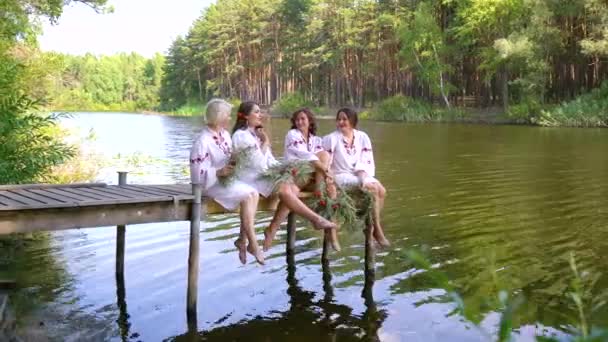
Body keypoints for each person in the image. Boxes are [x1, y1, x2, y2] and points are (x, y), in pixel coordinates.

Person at [231, 101, 338, 242]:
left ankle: (330, 230)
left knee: (325, 183)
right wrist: (266, 142)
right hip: (253, 178)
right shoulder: (241, 136)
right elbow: (260, 164)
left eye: (303, 119)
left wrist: (281, 168)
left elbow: (269, 161)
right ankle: (315, 219)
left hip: (275, 173)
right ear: (245, 116)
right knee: (287, 191)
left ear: (310, 121)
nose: (260, 114)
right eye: (257, 111)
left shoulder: (255, 135)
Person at [189, 99, 263, 265]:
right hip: (210, 185)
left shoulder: (225, 135)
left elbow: (228, 158)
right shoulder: (202, 141)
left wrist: (237, 159)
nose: (230, 119)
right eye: (227, 116)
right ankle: (253, 243)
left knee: (253, 193)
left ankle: (242, 240)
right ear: (219, 117)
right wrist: (218, 172)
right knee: (246, 195)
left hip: (225, 181)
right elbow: (196, 175)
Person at [263, 108, 341, 251]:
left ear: (310, 121)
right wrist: (325, 171)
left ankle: (333, 234)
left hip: (311, 178)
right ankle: (273, 229)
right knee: (290, 193)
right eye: (297, 119)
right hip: (297, 174)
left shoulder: (316, 140)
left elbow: (322, 158)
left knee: (331, 187)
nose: (299, 122)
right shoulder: (292, 134)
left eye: (303, 119)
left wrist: (327, 173)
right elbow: (305, 155)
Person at [323, 108, 390, 247]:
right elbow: (326, 163)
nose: (341, 122)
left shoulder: (362, 137)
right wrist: (328, 177)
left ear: (352, 121)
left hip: (360, 173)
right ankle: (376, 229)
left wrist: (364, 179)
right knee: (373, 189)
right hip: (341, 175)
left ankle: (370, 226)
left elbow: (366, 161)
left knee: (382, 190)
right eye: (339, 119)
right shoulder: (332, 138)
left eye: (344, 119)